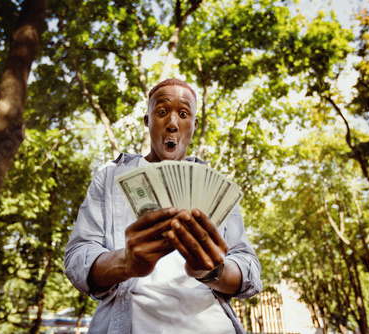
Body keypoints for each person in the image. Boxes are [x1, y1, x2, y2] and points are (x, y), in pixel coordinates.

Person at [64, 78, 262, 334]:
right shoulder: (109, 179)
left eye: (183, 113)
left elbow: (250, 269)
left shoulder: (214, 185)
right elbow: (77, 257)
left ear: (194, 125)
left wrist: (213, 272)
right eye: (161, 112)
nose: (172, 123)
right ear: (147, 121)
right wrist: (125, 262)